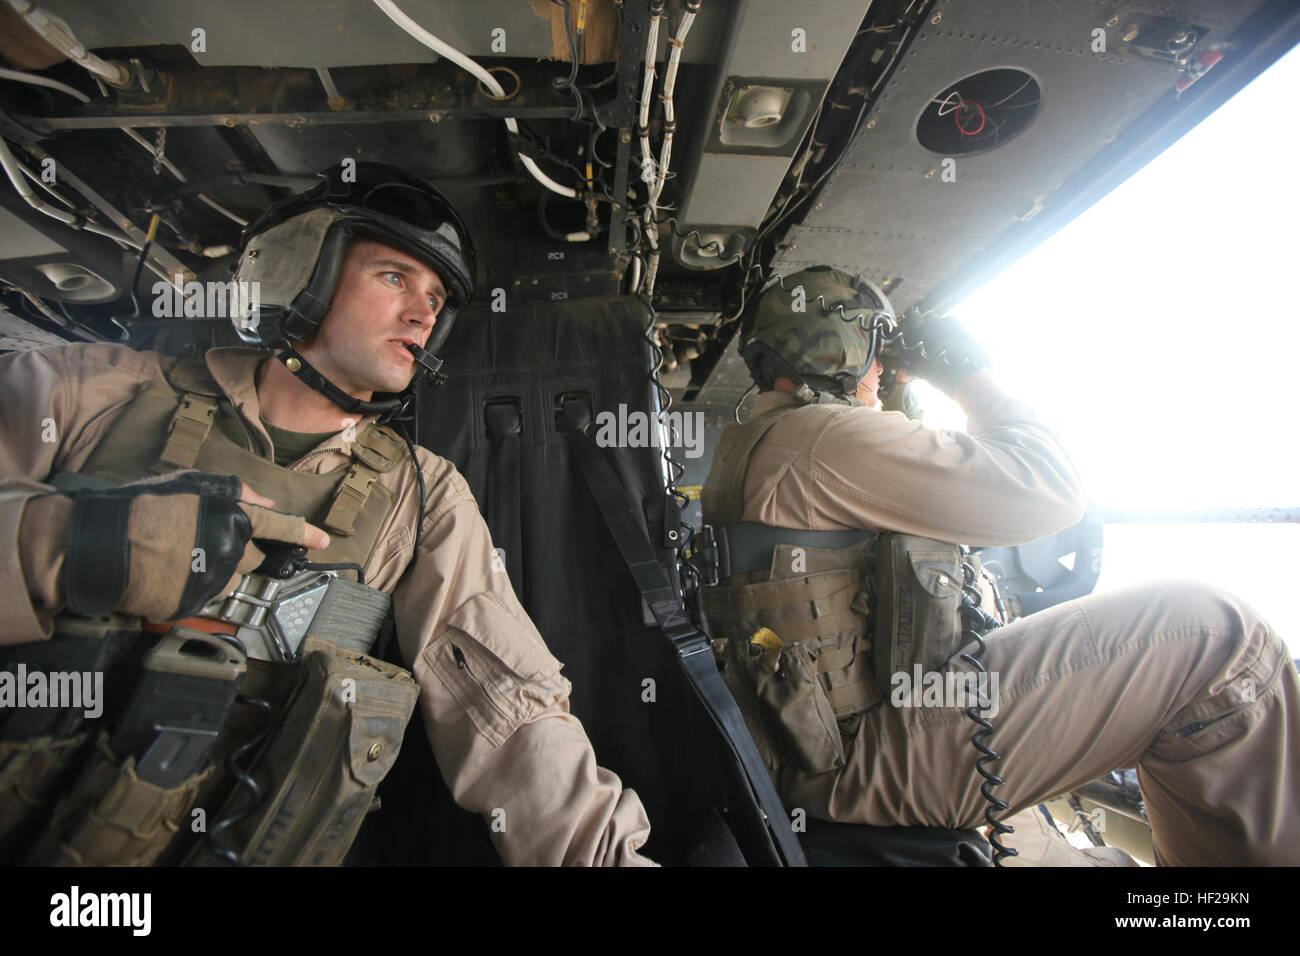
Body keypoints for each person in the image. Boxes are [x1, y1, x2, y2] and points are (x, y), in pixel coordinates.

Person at [0, 161, 653, 866]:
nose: (424, 313)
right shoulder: (83, 390)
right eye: (395, 277)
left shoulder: (423, 494)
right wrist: (74, 545)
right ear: (294, 271)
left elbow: (509, 713)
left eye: (436, 297)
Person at [697, 265, 1299, 866]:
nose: (882, 367)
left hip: (809, 754)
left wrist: (897, 389)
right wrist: (968, 377)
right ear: (839, 347)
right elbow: (1050, 492)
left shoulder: (763, 441)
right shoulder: (819, 438)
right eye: (877, 346)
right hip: (854, 765)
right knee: (1216, 638)